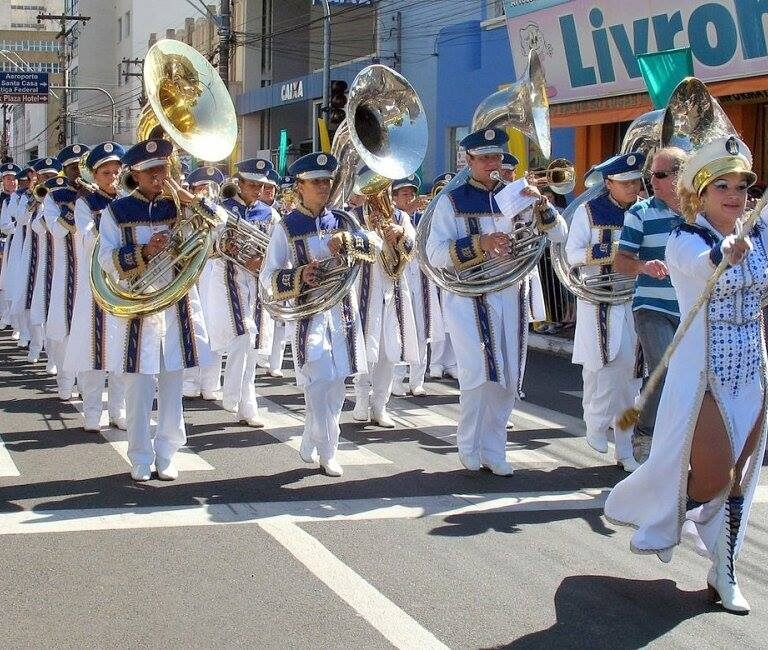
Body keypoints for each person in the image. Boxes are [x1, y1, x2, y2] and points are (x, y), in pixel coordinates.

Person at [605, 135, 767, 614]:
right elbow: (699, 267)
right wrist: (725, 254)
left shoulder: (760, 232)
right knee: (716, 477)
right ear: (700, 192)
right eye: (722, 186)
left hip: (754, 370)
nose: (735, 195)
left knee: (742, 477)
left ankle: (725, 569)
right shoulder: (683, 239)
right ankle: (666, 512)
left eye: (741, 185)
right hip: (705, 378)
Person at [425, 128, 567, 475]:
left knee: (508, 376)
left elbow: (560, 235)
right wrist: (481, 244)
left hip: (510, 295)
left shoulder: (517, 194)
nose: (493, 164)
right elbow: (435, 253)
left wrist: (542, 204)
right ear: (469, 161)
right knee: (478, 374)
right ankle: (468, 444)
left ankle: (495, 448)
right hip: (469, 299)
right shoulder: (451, 200)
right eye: (485, 158)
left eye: (497, 157)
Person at [98, 138, 219, 481]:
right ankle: (139, 454)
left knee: (172, 382)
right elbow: (105, 259)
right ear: (134, 175)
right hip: (138, 307)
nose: (158, 176)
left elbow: (220, 229)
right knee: (138, 385)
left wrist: (191, 200)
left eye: (162, 168)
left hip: (176, 306)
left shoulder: (181, 205)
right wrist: (145, 251)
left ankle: (167, 452)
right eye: (150, 171)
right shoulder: (117, 211)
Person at [260, 152, 380, 476]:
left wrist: (351, 241)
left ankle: (313, 433)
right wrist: (300, 277)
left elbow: (374, 250)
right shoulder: (287, 226)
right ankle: (329, 448)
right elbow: (268, 277)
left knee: (338, 383)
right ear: (299, 186)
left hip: (342, 313)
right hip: (308, 316)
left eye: (326, 181)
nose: (323, 187)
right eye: (315, 182)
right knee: (318, 381)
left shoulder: (343, 220)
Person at [566, 152, 645, 472]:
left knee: (632, 378)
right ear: (609, 183)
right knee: (600, 369)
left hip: (633, 300)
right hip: (599, 300)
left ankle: (625, 449)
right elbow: (571, 254)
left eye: (636, 182)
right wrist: (615, 252)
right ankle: (596, 423)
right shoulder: (589, 211)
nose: (633, 188)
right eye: (625, 183)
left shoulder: (643, 211)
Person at [614, 147, 686, 463]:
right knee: (663, 368)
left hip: (690, 308)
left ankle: (675, 437)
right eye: (651, 174)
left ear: (680, 176)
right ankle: (643, 433)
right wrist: (643, 267)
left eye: (659, 174)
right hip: (651, 306)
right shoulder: (640, 213)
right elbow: (621, 261)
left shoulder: (701, 214)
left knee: (687, 376)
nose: (651, 181)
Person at [62, 142, 127, 431]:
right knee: (93, 349)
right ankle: (91, 413)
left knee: (123, 349)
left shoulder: (128, 202)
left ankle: (118, 410)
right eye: (105, 172)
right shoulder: (86, 204)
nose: (112, 177)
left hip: (125, 282)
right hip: (96, 283)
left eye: (116, 172)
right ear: (94, 175)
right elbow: (88, 241)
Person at [208, 158, 276, 427]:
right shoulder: (222, 210)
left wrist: (264, 261)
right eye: (252, 185)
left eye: (261, 185)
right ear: (239, 184)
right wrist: (235, 253)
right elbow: (211, 247)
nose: (258, 190)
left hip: (257, 282)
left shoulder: (269, 214)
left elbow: (277, 248)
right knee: (244, 336)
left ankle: (246, 405)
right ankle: (233, 394)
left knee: (252, 343)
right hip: (228, 281)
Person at [351, 167, 418, 426]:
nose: (379, 193)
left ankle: (380, 404)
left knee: (390, 349)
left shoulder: (400, 217)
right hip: (363, 288)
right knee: (365, 346)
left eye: (383, 187)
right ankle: (359, 399)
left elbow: (413, 249)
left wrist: (399, 235)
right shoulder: (354, 216)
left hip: (393, 289)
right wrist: (372, 239)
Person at [42, 146, 90, 400]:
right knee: (62, 328)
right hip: (64, 270)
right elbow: (57, 230)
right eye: (73, 168)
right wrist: (75, 207)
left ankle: (85, 385)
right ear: (65, 170)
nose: (77, 173)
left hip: (89, 272)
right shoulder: (54, 196)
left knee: (86, 330)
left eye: (81, 167)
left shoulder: (96, 195)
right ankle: (64, 382)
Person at [395, 174, 446, 397]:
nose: (410, 197)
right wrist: (407, 213)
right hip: (400, 278)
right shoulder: (392, 218)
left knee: (422, 329)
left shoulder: (425, 217)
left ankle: (417, 380)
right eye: (404, 194)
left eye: (412, 193)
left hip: (422, 279)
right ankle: (396, 379)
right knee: (399, 329)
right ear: (394, 197)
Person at [182, 165, 227, 401]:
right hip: (189, 270)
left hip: (213, 268)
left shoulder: (220, 211)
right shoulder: (184, 211)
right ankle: (189, 380)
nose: (206, 192)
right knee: (191, 325)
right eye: (201, 188)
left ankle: (211, 382)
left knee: (212, 327)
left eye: (211, 188)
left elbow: (219, 223)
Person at [0, 163, 21, 329]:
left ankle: (10, 316)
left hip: (17, 241)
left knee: (13, 279)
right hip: (3, 240)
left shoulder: (21, 198)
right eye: (8, 179)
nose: (12, 182)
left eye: (14, 178)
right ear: (3, 181)